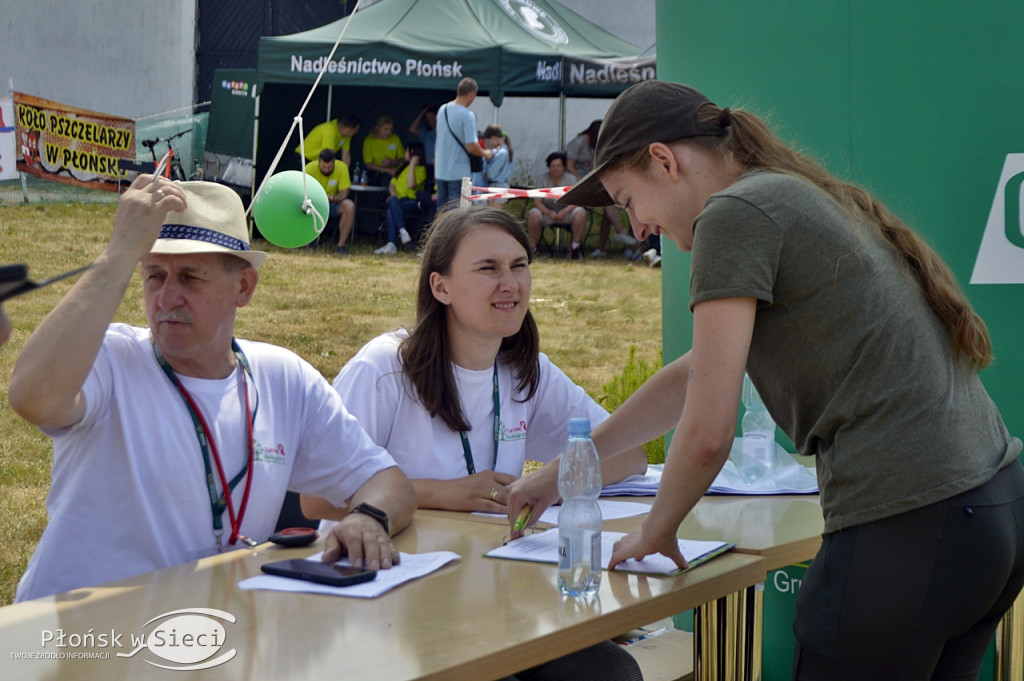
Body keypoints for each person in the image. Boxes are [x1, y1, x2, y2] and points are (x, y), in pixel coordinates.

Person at [509, 80, 1024, 680]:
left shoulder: (731, 216)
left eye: (628, 201)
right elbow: (694, 374)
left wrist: (658, 528)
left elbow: (706, 432)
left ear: (664, 161)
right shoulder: (787, 195)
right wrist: (566, 470)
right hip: (992, 511)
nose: (639, 226)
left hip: (908, 527)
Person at [8, 177, 416, 602]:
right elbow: (33, 396)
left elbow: (387, 481)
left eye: (190, 277)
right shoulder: (109, 358)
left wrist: (369, 517)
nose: (167, 297)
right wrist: (118, 253)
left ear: (243, 287)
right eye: (153, 276)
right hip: (76, 643)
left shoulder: (282, 378)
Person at [302, 206, 646, 681]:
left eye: (519, 266)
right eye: (488, 269)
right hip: (392, 601)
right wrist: (439, 493)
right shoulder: (385, 368)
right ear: (440, 287)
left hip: (495, 594)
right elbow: (316, 498)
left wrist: (550, 480)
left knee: (611, 673)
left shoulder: (526, 369)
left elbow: (629, 454)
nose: (510, 284)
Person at [566, 120, 637, 258]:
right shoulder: (580, 142)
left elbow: (593, 166)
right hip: (575, 180)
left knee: (607, 204)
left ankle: (603, 247)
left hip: (588, 179)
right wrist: (582, 180)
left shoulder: (594, 145)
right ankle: (619, 231)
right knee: (607, 201)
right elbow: (569, 165)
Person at [435, 78, 493, 210]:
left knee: (441, 211)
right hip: (458, 171)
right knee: (456, 213)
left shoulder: (442, 110)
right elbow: (471, 145)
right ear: (472, 93)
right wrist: (486, 154)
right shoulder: (468, 115)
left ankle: (440, 231)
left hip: (440, 170)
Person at [525, 152, 587, 260]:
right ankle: (532, 248)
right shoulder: (542, 179)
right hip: (547, 213)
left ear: (564, 167)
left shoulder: (571, 179)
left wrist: (565, 211)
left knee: (580, 212)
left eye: (559, 166)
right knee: (533, 213)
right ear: (549, 167)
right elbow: (537, 201)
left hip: (566, 213)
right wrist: (548, 212)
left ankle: (575, 248)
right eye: (553, 166)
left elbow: (576, 200)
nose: (556, 169)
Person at [374, 142, 434, 255]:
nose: (404, 154)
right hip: (398, 200)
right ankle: (401, 232)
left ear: (412, 153)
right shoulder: (401, 168)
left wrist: (412, 165)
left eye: (406, 151)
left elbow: (411, 184)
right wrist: (394, 196)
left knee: (390, 210)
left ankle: (392, 243)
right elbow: (392, 185)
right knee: (392, 204)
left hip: (413, 202)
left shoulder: (421, 170)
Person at [304, 149, 356, 254]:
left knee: (349, 206)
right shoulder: (309, 168)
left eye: (330, 167)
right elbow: (303, 191)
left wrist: (334, 198)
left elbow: (344, 193)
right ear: (319, 162)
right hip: (314, 203)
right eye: (323, 167)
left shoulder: (342, 167)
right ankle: (311, 240)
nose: (326, 170)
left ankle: (341, 245)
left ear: (334, 163)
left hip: (333, 203)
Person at [295, 115, 360, 169]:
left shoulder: (347, 136)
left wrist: (345, 174)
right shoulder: (329, 129)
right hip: (303, 158)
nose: (357, 132)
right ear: (349, 129)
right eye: (356, 130)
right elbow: (328, 152)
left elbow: (346, 156)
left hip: (316, 162)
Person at [361, 114, 405, 186]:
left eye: (391, 129)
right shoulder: (369, 141)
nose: (388, 132)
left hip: (394, 171)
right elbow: (368, 164)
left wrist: (393, 162)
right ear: (378, 127)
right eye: (385, 129)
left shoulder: (395, 138)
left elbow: (403, 158)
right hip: (377, 173)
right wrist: (388, 170)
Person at [483, 124, 514, 188]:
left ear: (493, 138)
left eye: (488, 142)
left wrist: (486, 162)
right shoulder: (508, 151)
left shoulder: (501, 153)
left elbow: (490, 174)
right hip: (503, 186)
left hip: (497, 187)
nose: (487, 144)